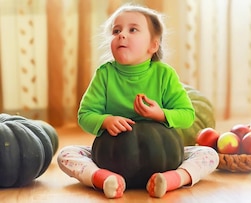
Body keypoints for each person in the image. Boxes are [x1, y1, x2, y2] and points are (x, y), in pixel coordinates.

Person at [56, 4, 218, 199]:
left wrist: (161, 114)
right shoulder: (105, 75)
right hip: (114, 156)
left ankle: (172, 179)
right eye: (116, 31)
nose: (121, 35)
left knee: (208, 155)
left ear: (153, 45)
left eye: (132, 29)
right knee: (67, 154)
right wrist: (106, 120)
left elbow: (187, 116)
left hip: (163, 157)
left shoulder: (164, 75)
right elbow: (85, 115)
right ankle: (105, 179)